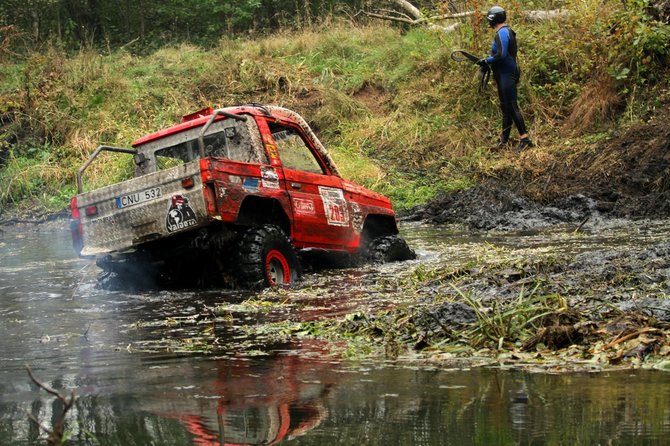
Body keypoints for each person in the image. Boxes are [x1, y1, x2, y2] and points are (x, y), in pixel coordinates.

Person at [477, 6, 532, 151]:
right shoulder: (504, 32)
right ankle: (504, 140)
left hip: (507, 75)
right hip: (503, 75)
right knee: (506, 108)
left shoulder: (502, 33)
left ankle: (525, 139)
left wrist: (487, 60)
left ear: (492, 19)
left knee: (512, 107)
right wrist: (487, 61)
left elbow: (501, 54)